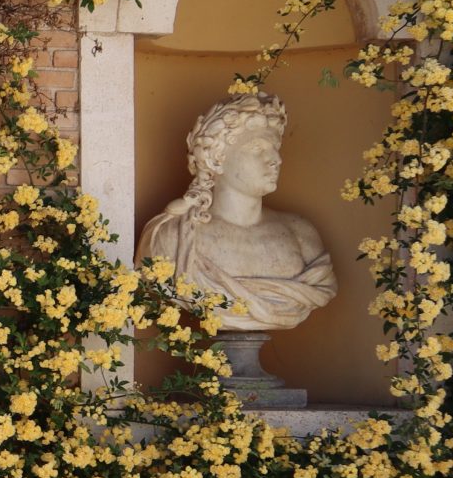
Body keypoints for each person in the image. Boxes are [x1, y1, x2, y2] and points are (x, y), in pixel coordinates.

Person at [136, 91, 335, 332]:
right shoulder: (174, 237)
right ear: (216, 159)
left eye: (275, 148)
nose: (276, 159)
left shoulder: (302, 235)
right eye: (258, 148)